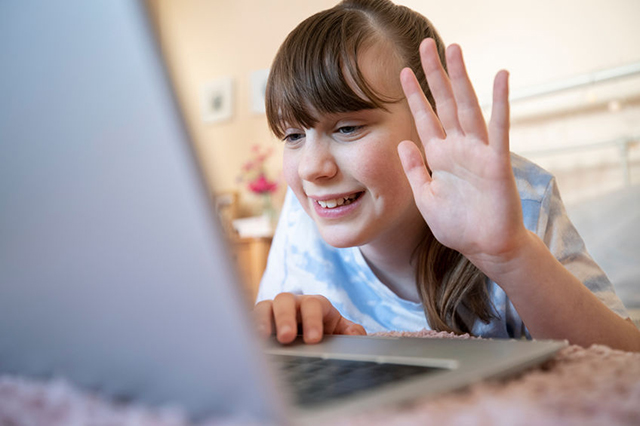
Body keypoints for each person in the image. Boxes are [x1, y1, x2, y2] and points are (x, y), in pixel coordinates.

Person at [253, 0, 640, 351]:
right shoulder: (300, 213)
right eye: (293, 136)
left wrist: (512, 256)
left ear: (432, 119)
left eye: (348, 128)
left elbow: (625, 366)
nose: (310, 168)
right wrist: (288, 326)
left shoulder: (519, 198)